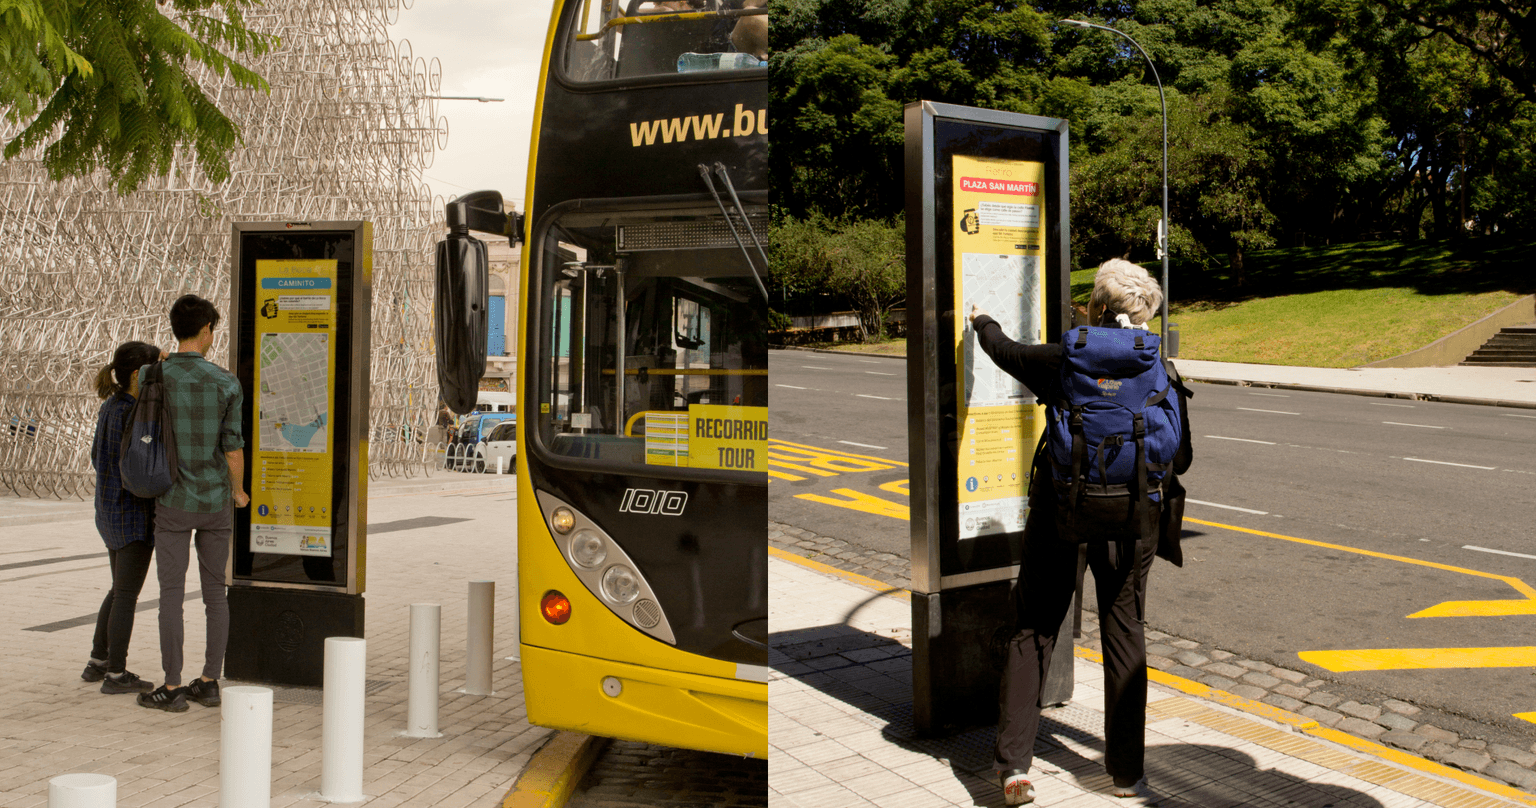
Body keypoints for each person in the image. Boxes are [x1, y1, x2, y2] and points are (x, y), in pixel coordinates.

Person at [969, 259, 1191, 804]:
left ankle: (1015, 768)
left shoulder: (1062, 359)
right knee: (1124, 633)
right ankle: (1126, 776)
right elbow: (1180, 457)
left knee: (1035, 627)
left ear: (1096, 306)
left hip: (1061, 513)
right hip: (1133, 519)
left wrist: (982, 321)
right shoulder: (1159, 368)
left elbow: (1005, 352)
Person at [137, 294, 250, 712]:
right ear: (206, 331)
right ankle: (209, 680)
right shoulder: (226, 382)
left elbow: (144, 370)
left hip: (170, 498)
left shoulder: (154, 374)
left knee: (170, 593)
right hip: (216, 500)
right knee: (214, 595)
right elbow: (233, 448)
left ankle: (170, 685)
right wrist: (238, 492)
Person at [83, 341, 165, 696]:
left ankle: (98, 661)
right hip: (132, 516)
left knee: (119, 589)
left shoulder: (110, 406)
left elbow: (95, 456)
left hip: (108, 512)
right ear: (137, 374)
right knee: (127, 594)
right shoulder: (134, 411)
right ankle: (116, 674)